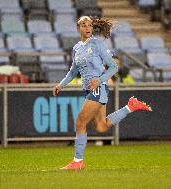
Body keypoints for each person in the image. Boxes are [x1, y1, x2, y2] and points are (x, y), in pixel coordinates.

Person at [52, 16, 152, 170]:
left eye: (89, 25)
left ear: (92, 28)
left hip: (99, 88)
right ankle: (130, 107)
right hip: (90, 90)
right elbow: (73, 72)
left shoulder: (97, 43)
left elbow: (113, 67)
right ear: (78, 28)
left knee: (80, 122)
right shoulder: (77, 48)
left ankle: (77, 162)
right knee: (101, 126)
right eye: (83, 25)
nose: (87, 27)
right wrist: (61, 84)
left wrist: (99, 80)